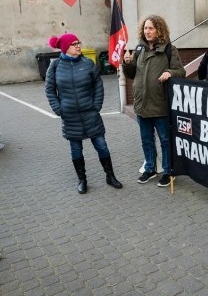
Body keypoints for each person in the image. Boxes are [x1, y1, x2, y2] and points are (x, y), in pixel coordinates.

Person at [45, 32, 122, 194]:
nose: (78, 46)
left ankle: (110, 176)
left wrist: (96, 106)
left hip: (90, 114)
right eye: (74, 44)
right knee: (75, 150)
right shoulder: (55, 66)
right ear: (66, 47)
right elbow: (50, 90)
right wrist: (59, 109)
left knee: (102, 146)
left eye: (79, 42)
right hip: (70, 116)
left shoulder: (88, 63)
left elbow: (98, 86)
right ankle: (82, 180)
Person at [122, 15, 185, 188]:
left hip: (160, 105)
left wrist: (170, 73)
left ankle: (167, 171)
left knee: (165, 140)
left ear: (159, 30)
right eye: (145, 28)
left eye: (151, 28)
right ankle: (150, 168)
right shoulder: (139, 49)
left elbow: (181, 71)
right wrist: (127, 63)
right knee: (146, 140)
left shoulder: (169, 50)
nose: (147, 32)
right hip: (142, 104)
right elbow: (131, 74)